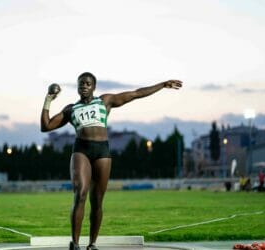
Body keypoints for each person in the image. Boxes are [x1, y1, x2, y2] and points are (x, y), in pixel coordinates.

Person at [40, 72, 182, 250]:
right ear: (77, 88)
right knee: (80, 193)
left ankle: (92, 244)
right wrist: (48, 99)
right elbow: (46, 126)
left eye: (88, 83)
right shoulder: (71, 109)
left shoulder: (105, 101)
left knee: (97, 200)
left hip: (102, 152)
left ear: (94, 87)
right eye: (81, 84)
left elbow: (136, 93)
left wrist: (162, 84)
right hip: (81, 151)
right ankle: (75, 243)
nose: (84, 86)